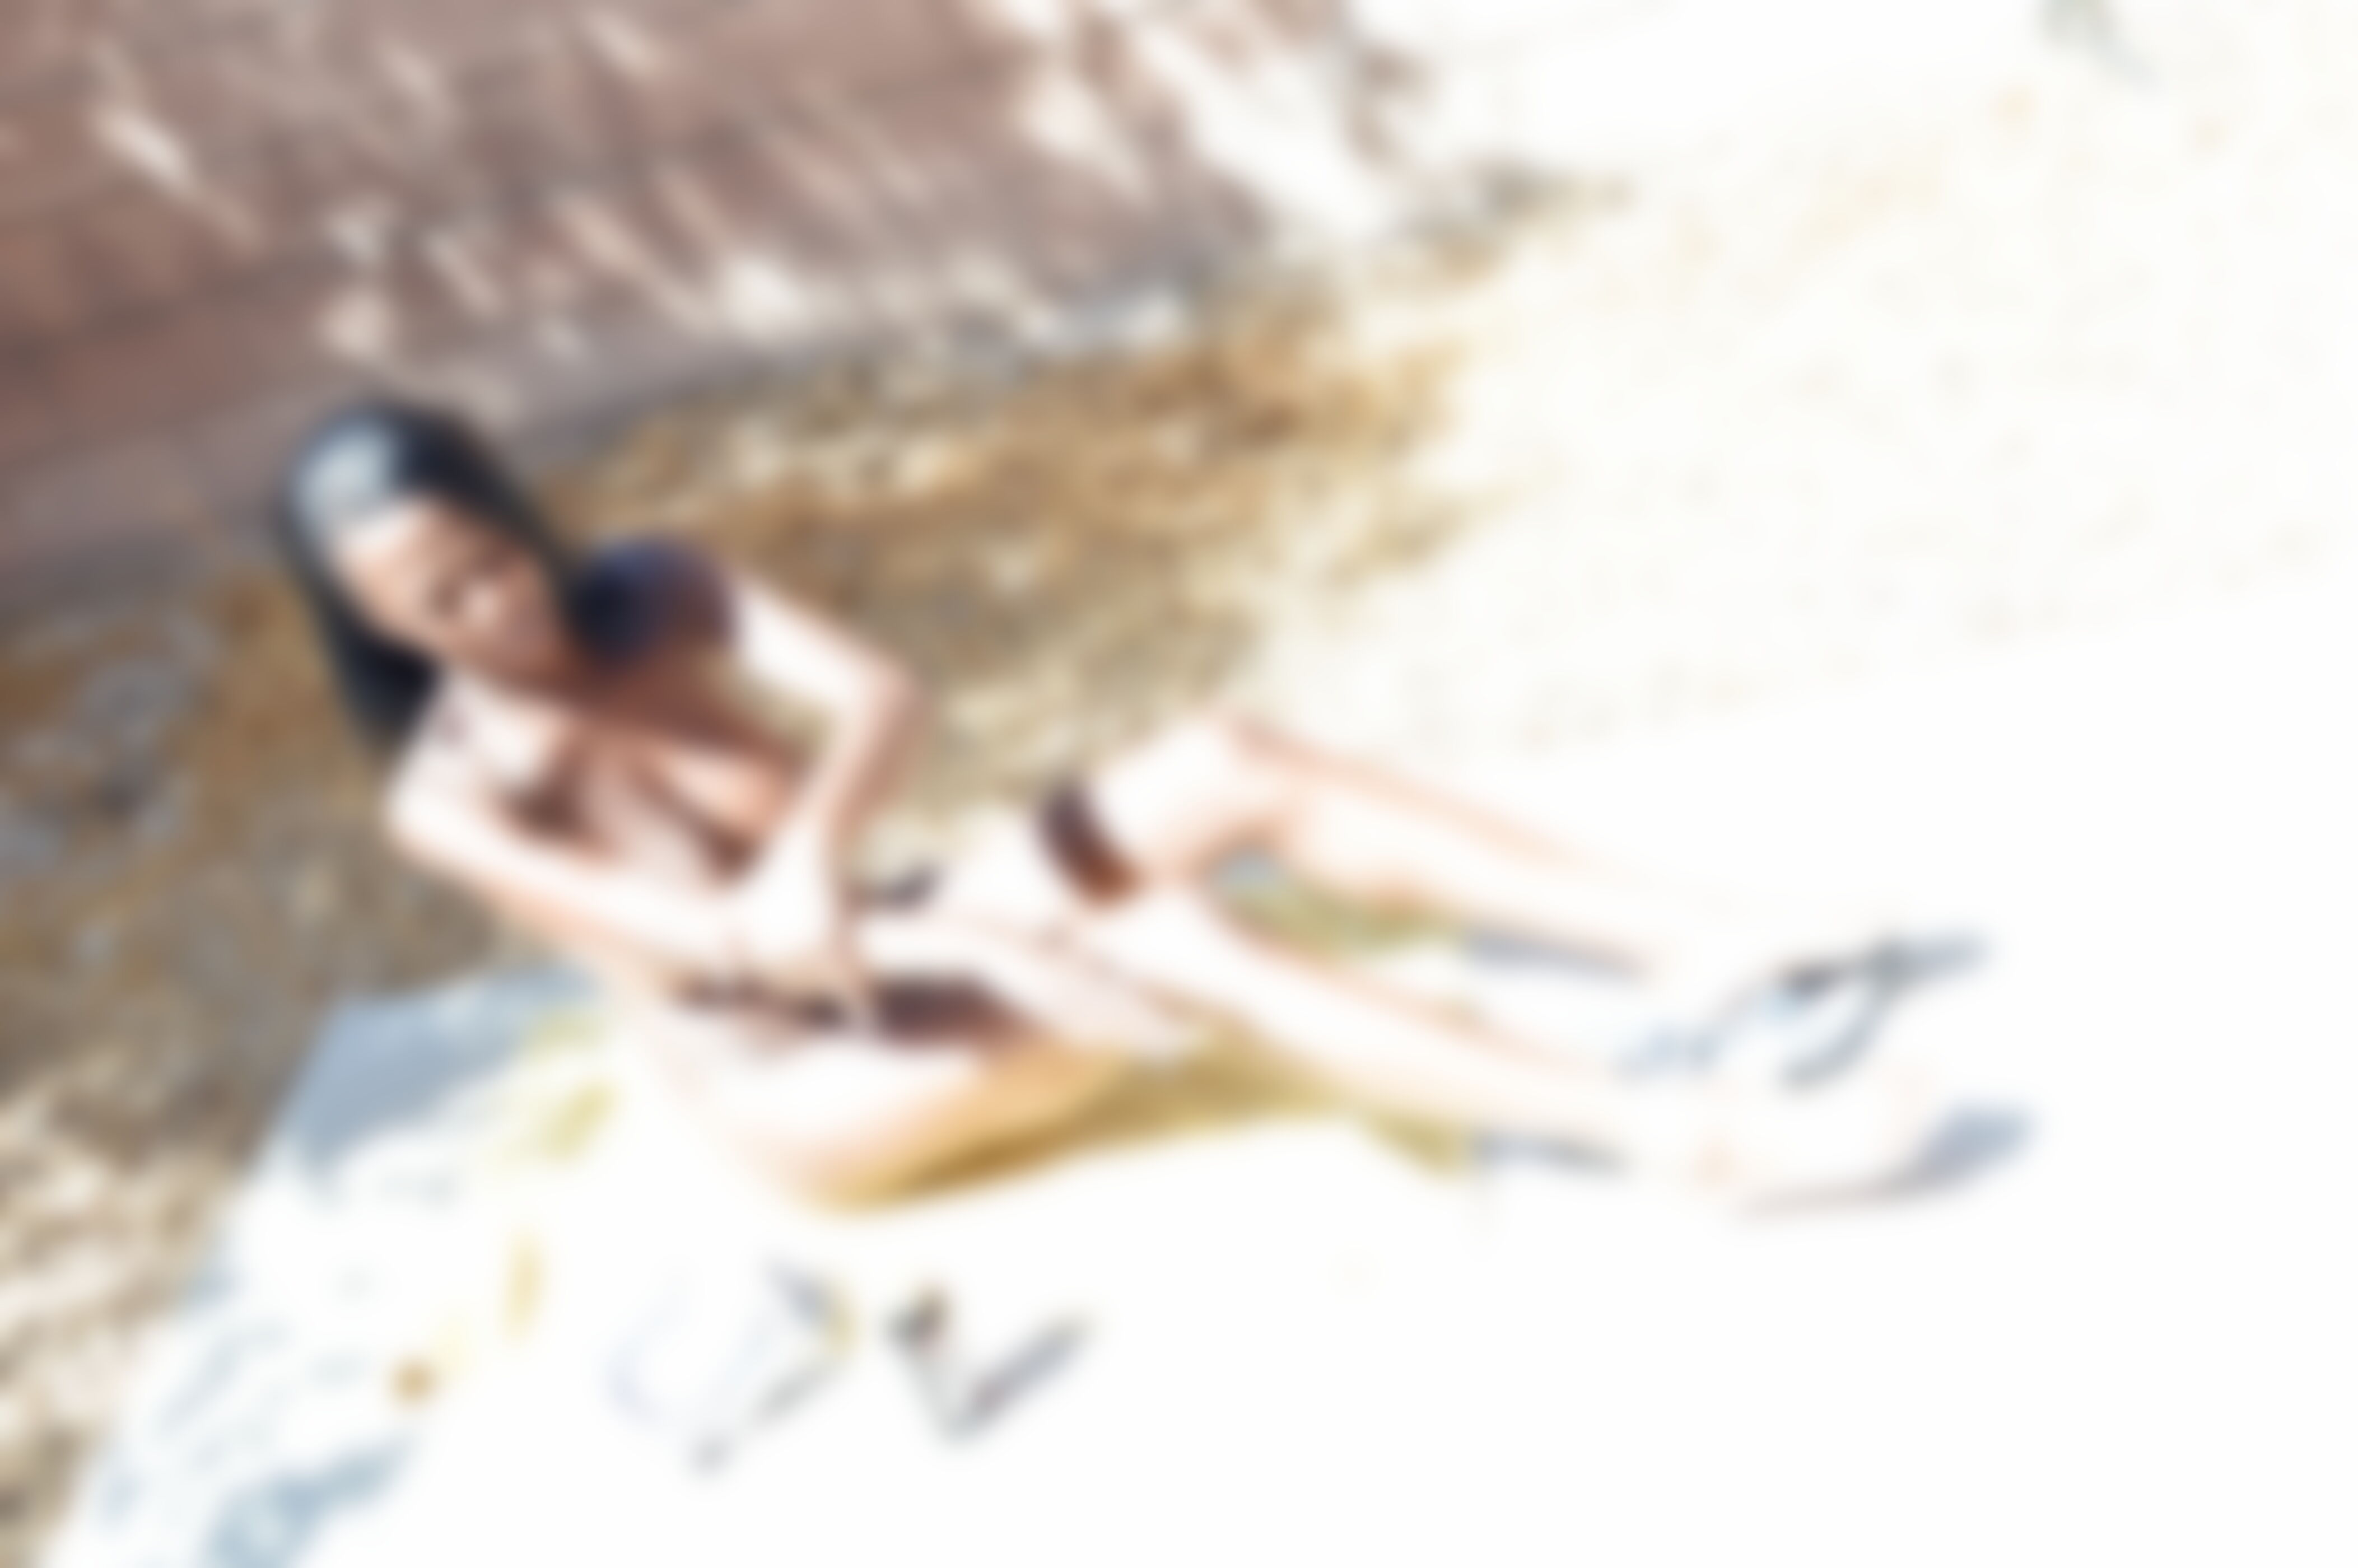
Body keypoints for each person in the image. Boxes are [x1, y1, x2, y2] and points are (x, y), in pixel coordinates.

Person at [273, 400, 1943, 1211]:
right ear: (377, 631)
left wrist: (820, 850)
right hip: (810, 1079)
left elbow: (885, 698)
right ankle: (1688, 1137)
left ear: (518, 513)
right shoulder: (450, 800)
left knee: (1226, 753)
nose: (490, 612)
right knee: (1174, 938)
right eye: (431, 608)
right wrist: (980, 941)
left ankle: (1687, 940)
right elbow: (734, 953)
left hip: (887, 927)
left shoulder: (653, 585)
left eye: (489, 559)